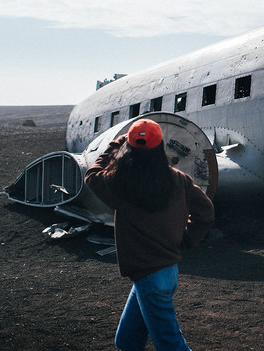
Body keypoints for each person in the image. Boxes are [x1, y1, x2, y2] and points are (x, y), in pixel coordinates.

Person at [85, 118, 215, 351]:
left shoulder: (119, 183)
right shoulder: (178, 179)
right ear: (160, 146)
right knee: (126, 341)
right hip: (164, 273)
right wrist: (186, 236)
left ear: (129, 147)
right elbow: (205, 212)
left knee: (171, 345)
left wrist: (116, 144)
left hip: (150, 278)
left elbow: (92, 175)